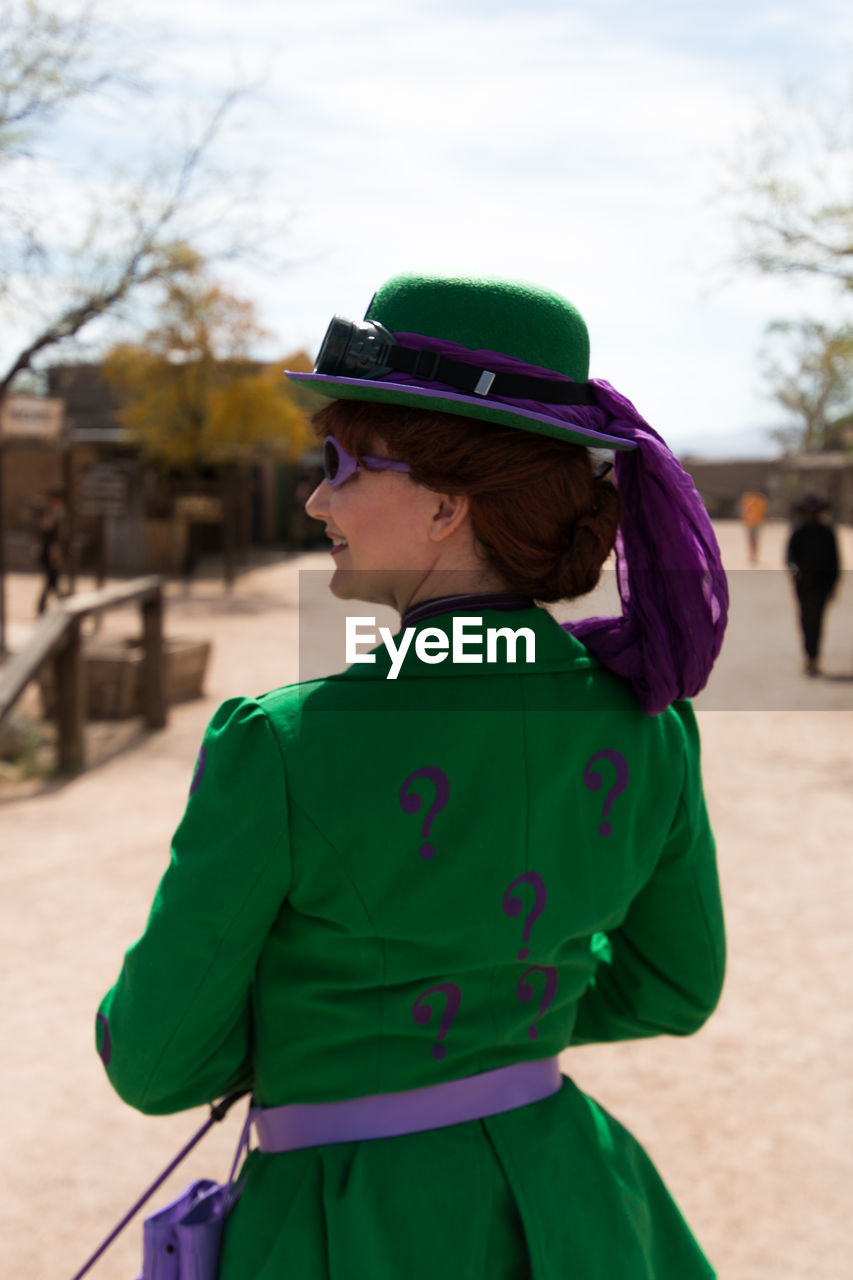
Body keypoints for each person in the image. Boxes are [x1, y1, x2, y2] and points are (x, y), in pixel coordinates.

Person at [94, 274, 728, 1279]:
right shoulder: (650, 719)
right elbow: (675, 984)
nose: (315, 495)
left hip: (349, 1224)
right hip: (577, 1207)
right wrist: (506, 1006)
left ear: (444, 503)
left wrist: (345, 1029)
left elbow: (155, 1057)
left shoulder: (286, 743)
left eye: (341, 463)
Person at [786, 493, 840, 676]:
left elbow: (835, 561)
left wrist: (833, 585)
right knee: (805, 619)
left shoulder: (827, 533)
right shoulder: (799, 531)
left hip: (822, 585)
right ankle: (809, 655)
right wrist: (794, 570)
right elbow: (789, 555)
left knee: (817, 620)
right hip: (803, 585)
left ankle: (814, 656)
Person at [35, 488, 66, 614]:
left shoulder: (55, 513)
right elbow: (47, 531)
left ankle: (48, 606)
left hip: (52, 551)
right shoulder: (49, 513)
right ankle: (61, 605)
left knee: (53, 581)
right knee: (52, 580)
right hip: (49, 551)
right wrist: (55, 552)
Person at [739, 489, 768, 564]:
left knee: (755, 540)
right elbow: (744, 510)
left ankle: (754, 555)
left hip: (757, 522)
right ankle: (751, 555)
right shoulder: (748, 500)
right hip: (749, 522)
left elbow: (763, 511)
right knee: (750, 539)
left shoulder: (761, 501)